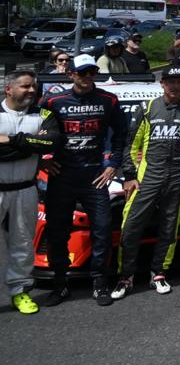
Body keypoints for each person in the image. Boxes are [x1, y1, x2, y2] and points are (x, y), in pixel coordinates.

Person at [112, 67, 180, 299]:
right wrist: (129, 175)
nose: (175, 86)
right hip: (146, 179)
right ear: (162, 83)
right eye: (171, 81)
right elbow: (131, 144)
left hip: (178, 179)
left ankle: (159, 273)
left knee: (169, 230)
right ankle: (125, 277)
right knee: (130, 228)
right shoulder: (146, 108)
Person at [41, 55, 129, 307]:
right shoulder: (52, 101)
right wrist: (43, 161)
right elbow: (36, 133)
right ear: (71, 74)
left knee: (102, 230)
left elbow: (122, 134)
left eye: (91, 72)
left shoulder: (108, 100)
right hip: (62, 177)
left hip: (95, 177)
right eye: (82, 73)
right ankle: (60, 284)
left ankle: (100, 284)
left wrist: (113, 164)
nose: (87, 77)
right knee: (57, 233)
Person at [0, 70, 59, 314]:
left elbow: (52, 141)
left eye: (33, 86)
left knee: (23, 243)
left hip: (26, 188)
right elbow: (36, 145)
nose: (32, 91)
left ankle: (20, 291)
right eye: (25, 86)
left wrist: (11, 141)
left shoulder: (43, 113)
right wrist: (29, 145)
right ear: (9, 89)